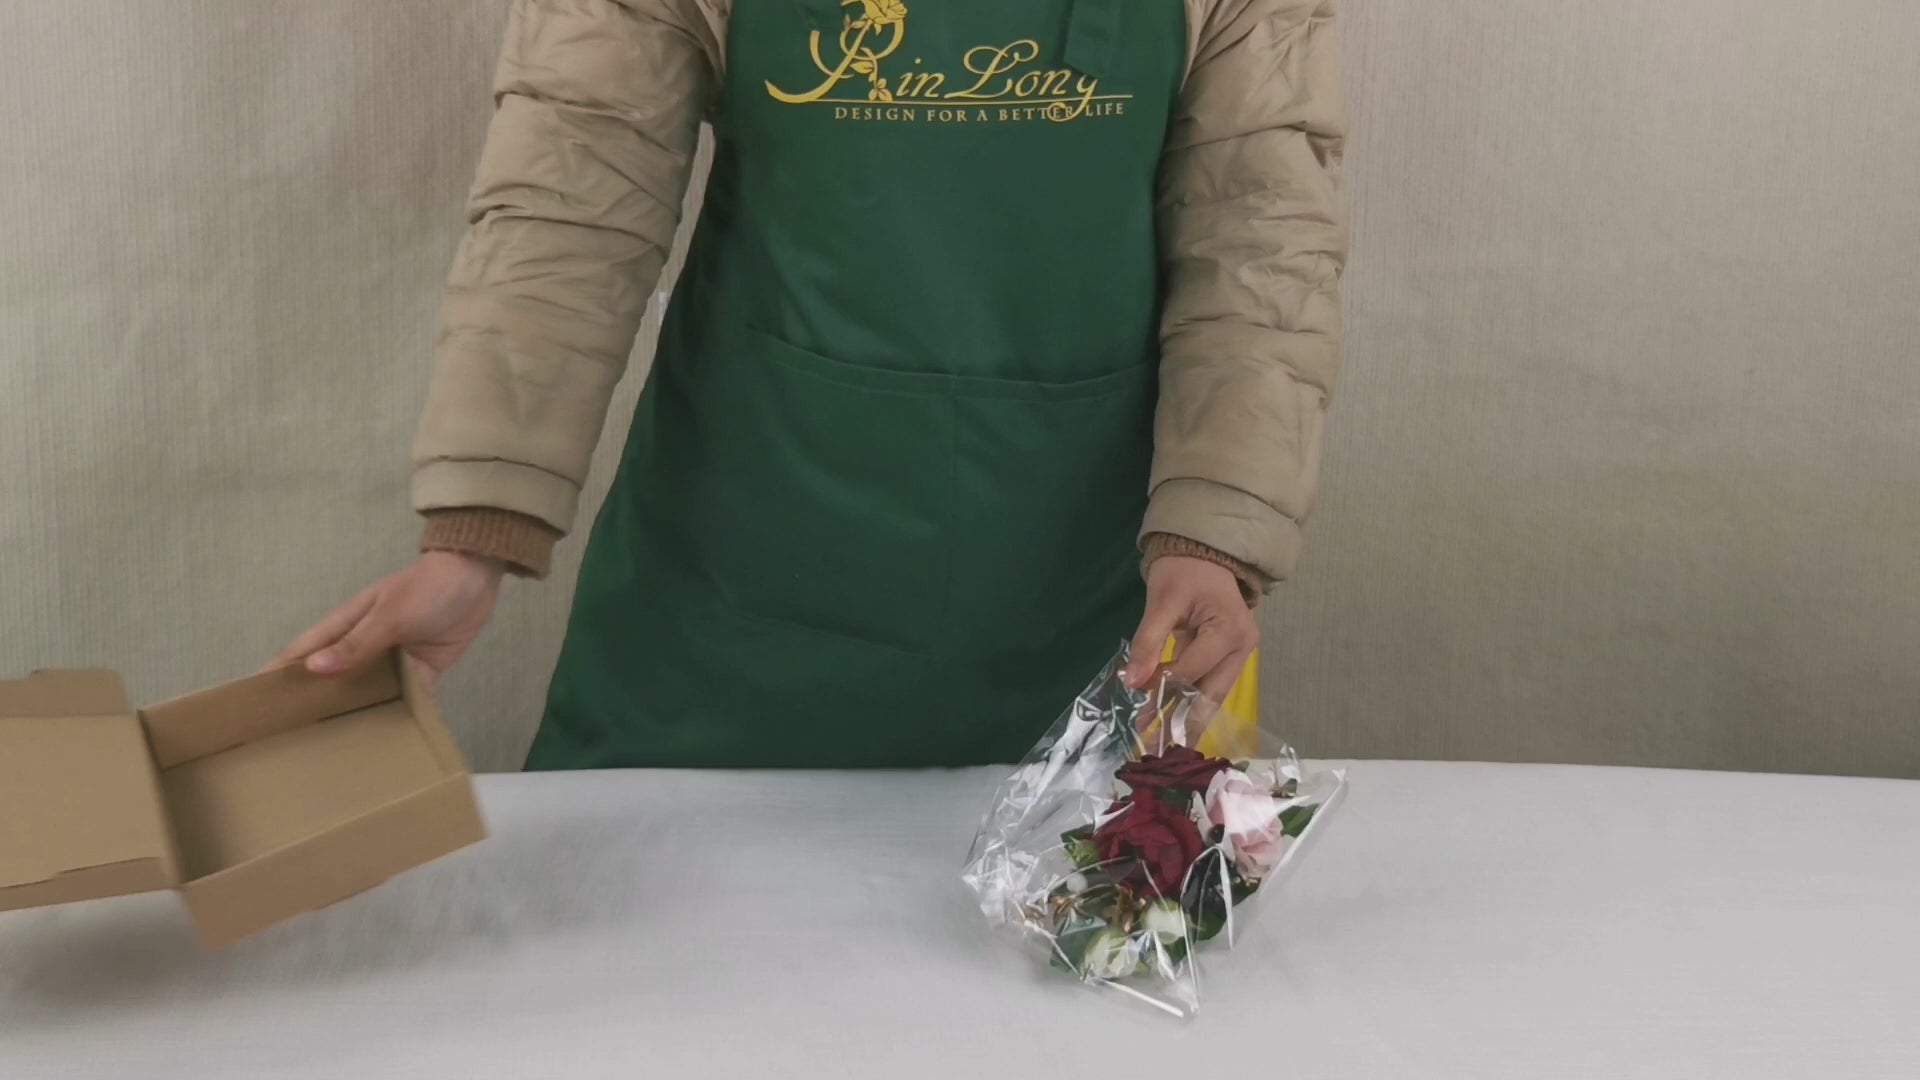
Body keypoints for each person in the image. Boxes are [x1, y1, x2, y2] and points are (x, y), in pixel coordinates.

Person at [278, 0, 1347, 769]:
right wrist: (477, 534)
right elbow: (570, 207)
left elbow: (1261, 250)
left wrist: (1219, 539)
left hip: (1096, 627)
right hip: (731, 611)